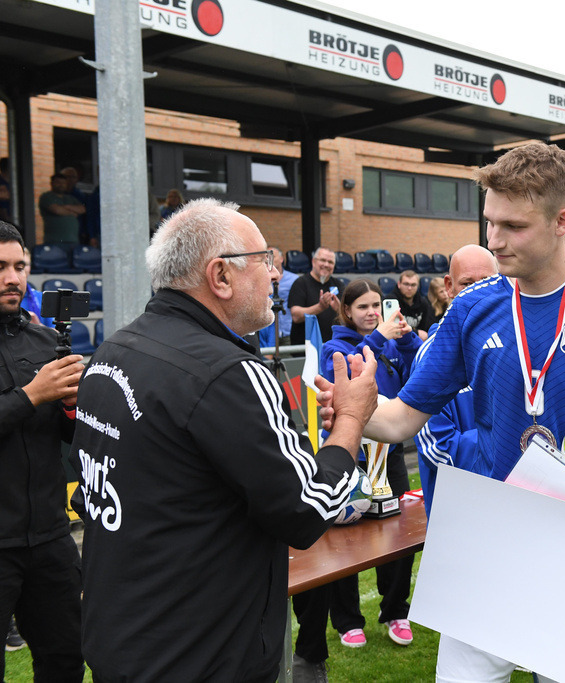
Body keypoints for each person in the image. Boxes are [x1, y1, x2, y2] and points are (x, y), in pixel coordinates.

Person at [316, 142, 565, 683]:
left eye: (513, 225)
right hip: (488, 537)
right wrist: (357, 412)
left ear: (562, 222)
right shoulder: (471, 307)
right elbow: (401, 421)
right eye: (489, 222)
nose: (494, 239)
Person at [72, 199, 377, 682]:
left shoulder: (113, 351)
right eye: (265, 259)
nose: (276, 274)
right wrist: (352, 419)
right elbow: (307, 508)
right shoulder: (229, 374)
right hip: (202, 658)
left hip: (119, 644)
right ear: (220, 276)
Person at [290, 280, 422, 679]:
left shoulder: (392, 340)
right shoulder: (336, 346)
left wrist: (410, 342)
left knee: (400, 536)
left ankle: (395, 611)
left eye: (375, 306)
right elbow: (348, 372)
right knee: (344, 540)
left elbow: (418, 375)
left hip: (390, 454)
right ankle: (347, 620)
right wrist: (380, 339)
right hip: (350, 452)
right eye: (362, 306)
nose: (370, 312)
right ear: (346, 310)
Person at [0, 221, 86, 682]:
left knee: (66, 660)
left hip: (51, 539)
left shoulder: (44, 342)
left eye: (19, 267)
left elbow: (71, 435)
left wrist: (72, 408)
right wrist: (32, 395)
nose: (12, 277)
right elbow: (29, 403)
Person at [415, 244, 499, 517]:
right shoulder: (432, 355)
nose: (478, 293)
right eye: (467, 283)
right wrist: (506, 443)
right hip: (458, 517)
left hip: (513, 509)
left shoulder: (516, 349)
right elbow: (437, 447)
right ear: (449, 287)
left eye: (487, 282)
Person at [288, 246, 343, 345]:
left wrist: (339, 309)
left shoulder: (338, 284)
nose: (326, 264)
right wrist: (320, 307)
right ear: (313, 261)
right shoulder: (301, 283)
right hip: (305, 349)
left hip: (332, 347)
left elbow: (348, 316)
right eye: (322, 260)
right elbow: (296, 316)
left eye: (330, 262)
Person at [38, 173, 84, 252]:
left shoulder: (70, 198)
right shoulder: (47, 196)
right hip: (55, 241)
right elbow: (57, 210)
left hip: (73, 241)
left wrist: (67, 207)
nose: (61, 185)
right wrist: (73, 212)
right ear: (52, 183)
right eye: (58, 182)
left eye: (63, 183)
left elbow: (82, 209)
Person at [396, 269, 432, 340]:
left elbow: (426, 328)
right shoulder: (391, 301)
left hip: (416, 341)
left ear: (417, 286)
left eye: (413, 285)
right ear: (399, 284)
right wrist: (416, 332)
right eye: (406, 284)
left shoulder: (423, 303)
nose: (409, 288)